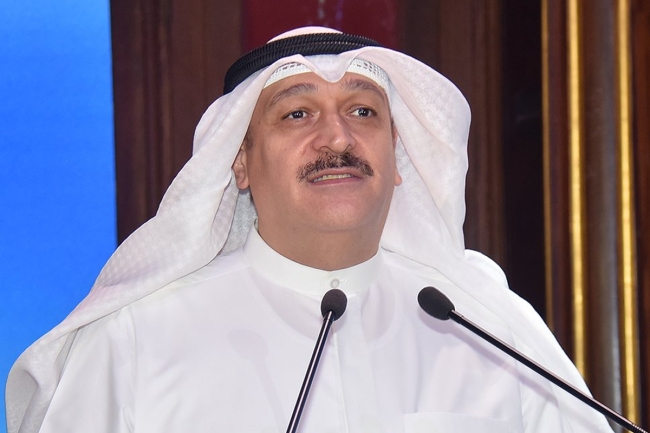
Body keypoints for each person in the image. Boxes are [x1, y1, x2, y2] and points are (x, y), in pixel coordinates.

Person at [6, 27, 613, 433]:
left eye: (363, 111)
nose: (337, 138)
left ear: (398, 156)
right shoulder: (133, 343)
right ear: (239, 162)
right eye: (297, 113)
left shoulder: (493, 332)